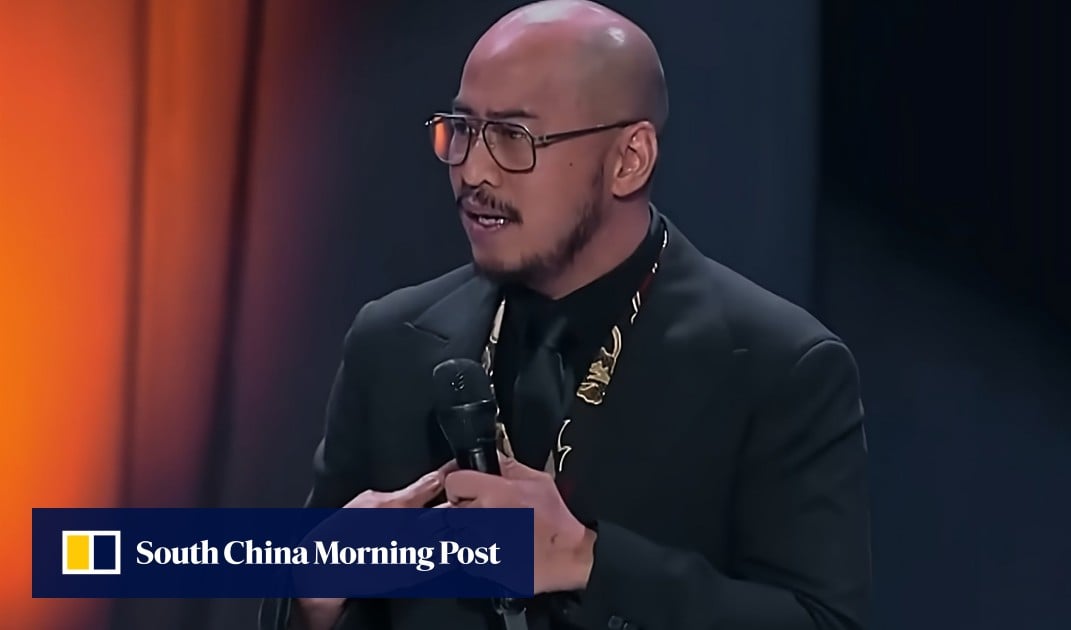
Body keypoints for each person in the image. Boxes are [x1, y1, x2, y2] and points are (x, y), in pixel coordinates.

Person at [262, 1, 870, 628]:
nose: (472, 170)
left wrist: (588, 561)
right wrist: (313, 599)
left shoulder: (778, 369)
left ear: (629, 159)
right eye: (462, 129)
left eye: (513, 136)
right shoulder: (391, 344)